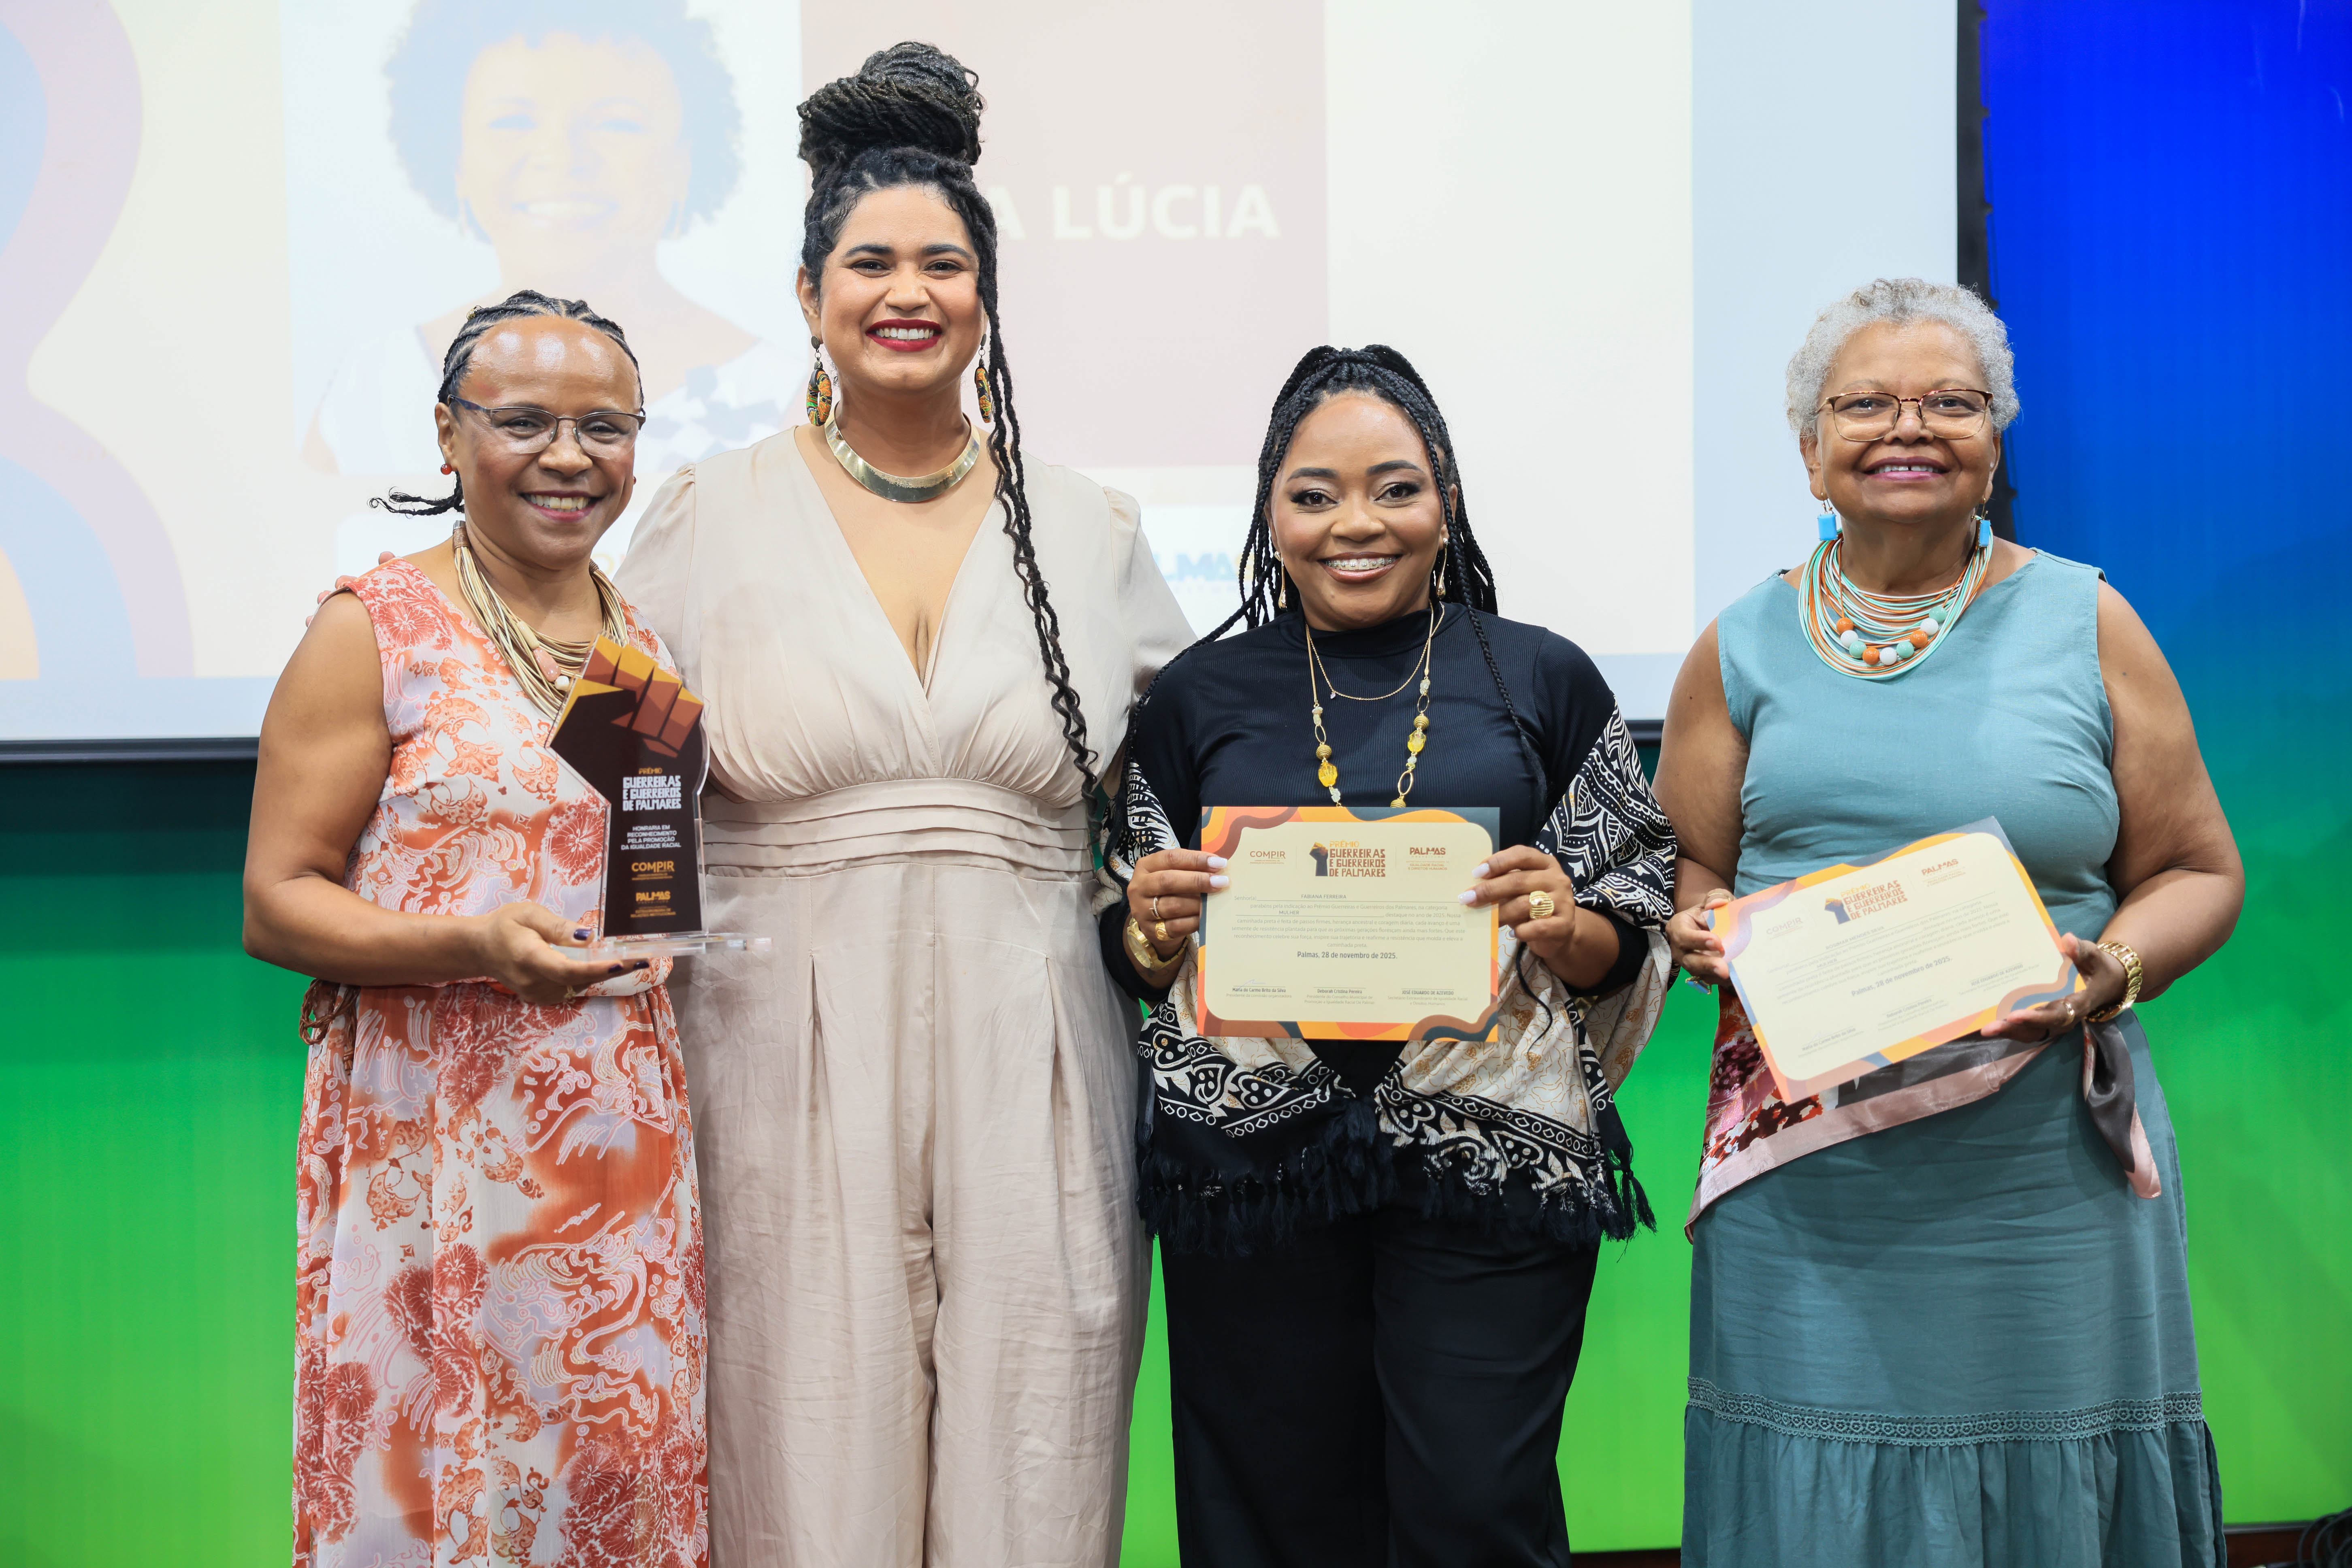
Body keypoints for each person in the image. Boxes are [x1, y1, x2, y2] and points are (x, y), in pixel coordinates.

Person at [614, 43, 1191, 1567]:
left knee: (1041, 1406)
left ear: (983, 301)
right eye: (868, 260)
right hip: (771, 1025)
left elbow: (1166, 788)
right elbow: (620, 781)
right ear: (809, 297)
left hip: (1039, 1028)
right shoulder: (701, 512)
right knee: (802, 1412)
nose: (906, 288)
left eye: (944, 261)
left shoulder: (1088, 524)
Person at [1657, 278, 2243, 1566]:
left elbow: (2200, 869)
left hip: (2050, 1173)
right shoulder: (1739, 645)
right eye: (1863, 403)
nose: (1906, 427)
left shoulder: (2088, 618)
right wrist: (1699, 929)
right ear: (1810, 447)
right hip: (1812, 1181)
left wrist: (2118, 968)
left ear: (1996, 440)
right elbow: (1686, 869)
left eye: (1951, 403)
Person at [1102, 345, 1678, 1567]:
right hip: (1251, 1165)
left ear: (1447, 500)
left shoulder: (1539, 675)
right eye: (1314, 495)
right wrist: (1148, 930)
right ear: (1269, 512)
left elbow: (1634, 903)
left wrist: (1564, 921)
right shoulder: (1198, 695)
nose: (1355, 524)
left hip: (1491, 1162)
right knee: (1268, 1509)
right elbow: (1127, 933)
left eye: (1394, 488)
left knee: (1475, 1507)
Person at [247, 292, 707, 1565]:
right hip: (433, 1129)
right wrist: (473, 945)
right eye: (525, 421)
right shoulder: (373, 626)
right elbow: (278, 901)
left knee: (608, 1463)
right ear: (449, 438)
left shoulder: (642, 646)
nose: (571, 456)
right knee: (441, 1468)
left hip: (618, 1134)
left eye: (605, 427)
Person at [307, 0, 800, 548]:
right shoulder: (372, 388)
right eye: (513, 121)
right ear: (456, 158)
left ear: (685, 159)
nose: (563, 157)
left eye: (617, 123)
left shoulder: (783, 396)